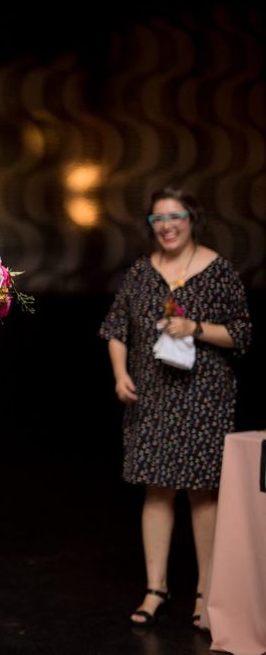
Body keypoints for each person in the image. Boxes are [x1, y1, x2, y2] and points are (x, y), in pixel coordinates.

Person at [99, 186, 251, 629]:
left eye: (175, 216)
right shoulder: (141, 272)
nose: (166, 226)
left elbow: (242, 334)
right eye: (157, 219)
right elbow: (115, 327)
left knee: (203, 493)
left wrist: (196, 327)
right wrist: (119, 372)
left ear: (193, 218)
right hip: (152, 397)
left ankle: (207, 594)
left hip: (204, 397)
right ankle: (155, 589)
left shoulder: (218, 270)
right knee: (156, 489)